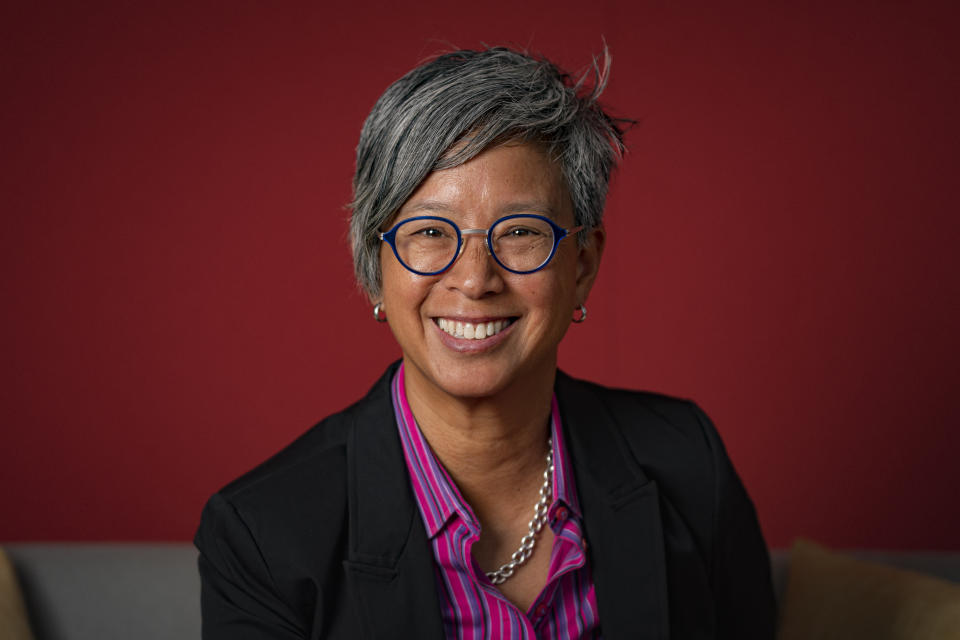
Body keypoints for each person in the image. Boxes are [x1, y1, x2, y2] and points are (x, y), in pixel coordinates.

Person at [195, 46, 777, 639]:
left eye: (521, 232)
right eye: (429, 232)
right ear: (375, 264)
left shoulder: (686, 459)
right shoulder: (261, 533)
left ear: (581, 265)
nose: (474, 279)